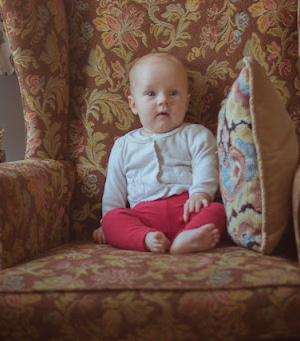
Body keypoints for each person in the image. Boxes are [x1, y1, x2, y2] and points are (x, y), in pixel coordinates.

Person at [93, 52, 226, 254]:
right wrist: (107, 221)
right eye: (151, 94)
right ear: (134, 105)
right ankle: (146, 238)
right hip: (144, 217)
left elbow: (206, 166)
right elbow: (114, 190)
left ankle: (187, 237)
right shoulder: (123, 146)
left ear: (186, 102)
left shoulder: (197, 135)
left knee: (218, 210)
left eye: (173, 93)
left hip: (189, 209)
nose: (163, 100)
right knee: (113, 219)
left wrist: (201, 192)